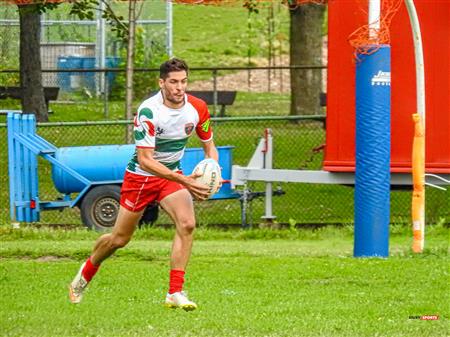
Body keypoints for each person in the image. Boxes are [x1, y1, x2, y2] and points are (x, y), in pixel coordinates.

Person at [69, 58, 219, 311]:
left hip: (171, 175)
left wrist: (212, 172)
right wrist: (185, 180)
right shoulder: (149, 111)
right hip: (141, 178)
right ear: (161, 83)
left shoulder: (198, 108)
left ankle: (175, 292)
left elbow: (210, 148)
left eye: (183, 81)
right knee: (118, 239)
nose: (179, 87)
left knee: (188, 224)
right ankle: (84, 274)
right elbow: (146, 160)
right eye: (173, 82)